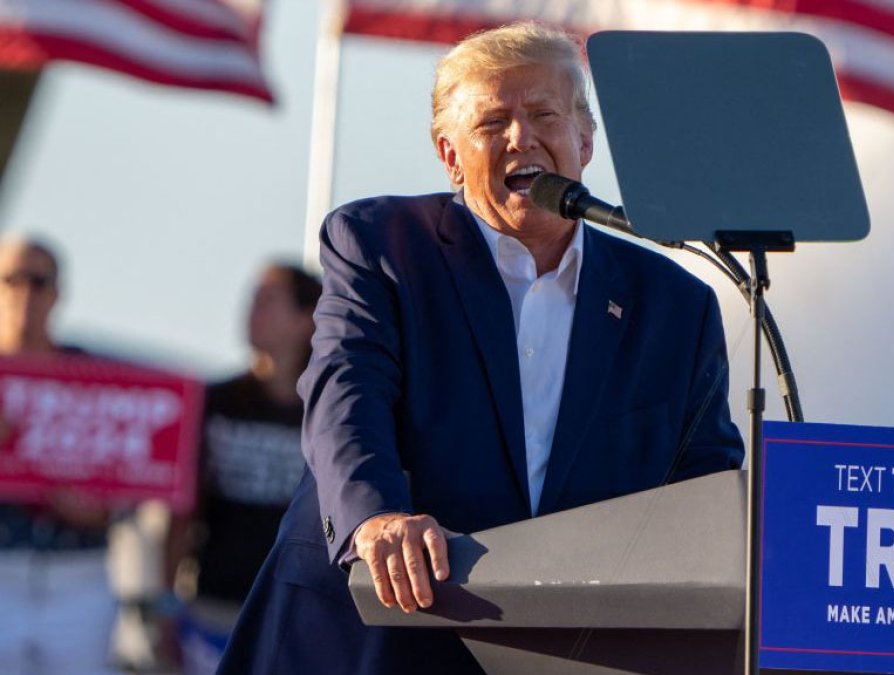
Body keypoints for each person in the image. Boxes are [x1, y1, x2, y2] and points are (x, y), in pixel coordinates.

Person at [218, 22, 744, 674]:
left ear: (584, 140)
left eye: (544, 114)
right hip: (376, 634)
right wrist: (376, 519)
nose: (522, 137)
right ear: (449, 153)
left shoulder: (674, 305)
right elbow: (345, 393)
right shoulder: (379, 244)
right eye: (493, 122)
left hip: (571, 652)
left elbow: (705, 490)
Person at [164, 263, 320, 673]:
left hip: (293, 609)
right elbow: (183, 508)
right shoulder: (214, 400)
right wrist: (164, 602)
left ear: (307, 319)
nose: (251, 310)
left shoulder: (329, 413)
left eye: (268, 300)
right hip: (213, 604)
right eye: (252, 299)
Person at [0, 236, 116, 673]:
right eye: (10, 280)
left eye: (37, 281)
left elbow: (132, 475)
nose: (23, 293)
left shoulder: (95, 379)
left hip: (78, 576)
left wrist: (102, 511)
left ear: (57, 293)